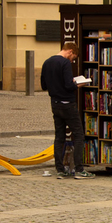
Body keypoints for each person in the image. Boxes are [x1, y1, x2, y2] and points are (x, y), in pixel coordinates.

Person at [40, 42, 95, 179]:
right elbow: (69, 85)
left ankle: (60, 169)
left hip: (55, 103)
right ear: (70, 51)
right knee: (79, 134)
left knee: (59, 137)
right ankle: (79, 169)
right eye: (73, 57)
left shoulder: (47, 62)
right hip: (68, 104)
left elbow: (43, 85)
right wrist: (79, 84)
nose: (73, 60)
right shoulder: (64, 63)